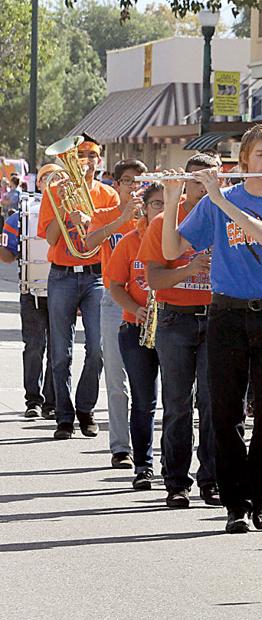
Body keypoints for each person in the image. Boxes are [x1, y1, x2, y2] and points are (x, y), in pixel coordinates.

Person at [162, 123, 262, 534]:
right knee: (224, 412)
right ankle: (234, 503)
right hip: (226, 313)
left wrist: (216, 198)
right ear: (244, 160)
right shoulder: (217, 200)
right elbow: (173, 250)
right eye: (259, 155)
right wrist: (174, 198)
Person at [140, 153, 219, 509]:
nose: (202, 186)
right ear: (184, 182)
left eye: (209, 179)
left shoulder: (225, 215)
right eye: (196, 180)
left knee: (214, 403)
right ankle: (175, 481)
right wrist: (190, 270)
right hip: (176, 318)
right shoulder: (163, 221)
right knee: (177, 403)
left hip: (218, 317)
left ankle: (212, 479)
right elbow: (154, 278)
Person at [38, 134, 117, 440]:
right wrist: (65, 213)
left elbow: (113, 233)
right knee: (60, 352)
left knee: (97, 349)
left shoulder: (107, 194)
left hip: (96, 275)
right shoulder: (55, 191)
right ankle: (63, 415)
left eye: (91, 155)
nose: (85, 160)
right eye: (80, 154)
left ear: (100, 159)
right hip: (62, 275)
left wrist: (91, 221)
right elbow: (51, 237)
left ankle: (85, 409)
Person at [85, 158, 147, 469]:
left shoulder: (156, 215)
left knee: (150, 382)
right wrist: (121, 218)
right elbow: (88, 242)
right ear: (117, 184)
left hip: (153, 300)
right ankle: (121, 447)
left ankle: (148, 447)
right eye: (128, 181)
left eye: (140, 181)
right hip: (114, 299)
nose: (135, 186)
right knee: (115, 377)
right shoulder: (104, 214)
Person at [105, 181, 162, 491]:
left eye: (168, 204)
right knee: (143, 400)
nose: (163, 210)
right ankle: (143, 464)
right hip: (135, 328)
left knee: (180, 401)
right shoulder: (129, 242)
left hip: (174, 328)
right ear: (145, 208)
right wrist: (134, 309)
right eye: (156, 204)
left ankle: (174, 465)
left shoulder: (182, 238)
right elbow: (114, 285)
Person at [2, 172, 56, 420]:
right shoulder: (19, 216)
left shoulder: (73, 214)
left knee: (59, 350)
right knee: (34, 347)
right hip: (30, 291)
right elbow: (7, 256)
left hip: (63, 289)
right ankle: (33, 400)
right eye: (48, 178)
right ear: (39, 183)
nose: (52, 183)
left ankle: (52, 401)